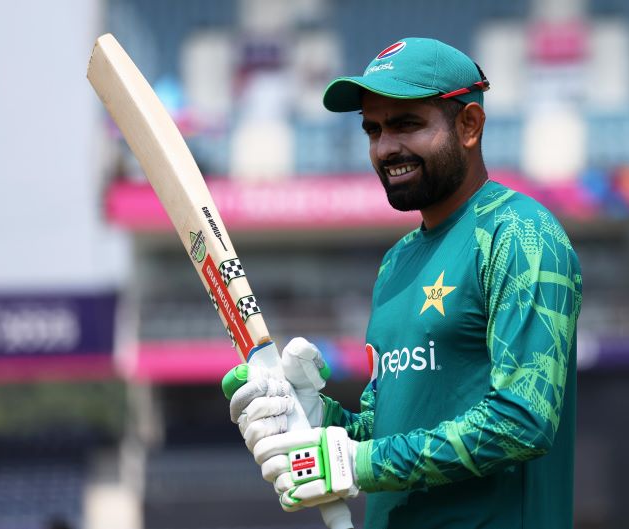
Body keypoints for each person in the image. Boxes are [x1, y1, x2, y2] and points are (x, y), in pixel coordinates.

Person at [222, 37, 582, 529]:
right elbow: (385, 431)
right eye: (373, 129)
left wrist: (357, 463)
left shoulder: (519, 233)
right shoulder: (396, 263)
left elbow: (523, 420)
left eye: (407, 124)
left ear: (469, 125)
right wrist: (318, 419)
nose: (386, 148)